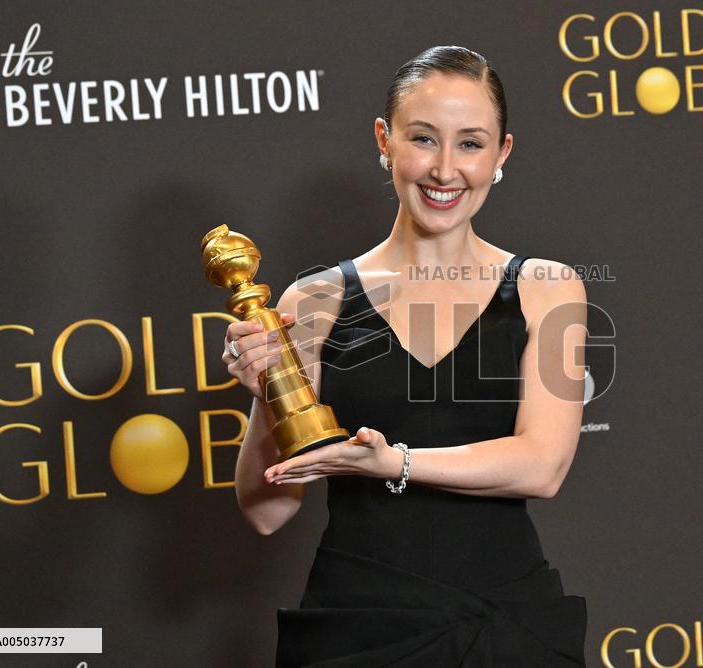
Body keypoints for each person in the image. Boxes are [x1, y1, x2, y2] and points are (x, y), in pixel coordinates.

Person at [222, 45, 589, 667]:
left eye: (470, 144)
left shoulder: (546, 287)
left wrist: (393, 462)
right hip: (358, 625)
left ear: (501, 154)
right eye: (423, 138)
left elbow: (541, 466)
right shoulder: (316, 301)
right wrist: (267, 397)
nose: (445, 170)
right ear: (384, 140)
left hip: (506, 623)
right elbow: (265, 512)